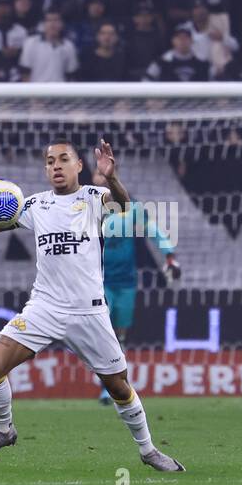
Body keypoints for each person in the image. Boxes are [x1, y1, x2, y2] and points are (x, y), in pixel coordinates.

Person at [0, 139, 186, 473]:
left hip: (89, 311)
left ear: (78, 166)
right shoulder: (33, 205)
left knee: (118, 386)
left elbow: (124, 205)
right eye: (50, 160)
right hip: (45, 308)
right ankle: (3, 430)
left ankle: (148, 450)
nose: (56, 165)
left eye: (63, 159)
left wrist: (111, 177)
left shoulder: (95, 198)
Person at [92, 169, 180, 403]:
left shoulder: (132, 210)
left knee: (120, 336)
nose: (100, 180)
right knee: (106, 334)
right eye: (97, 176)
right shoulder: (88, 208)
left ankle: (115, 383)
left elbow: (153, 230)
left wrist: (169, 254)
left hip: (127, 282)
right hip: (100, 282)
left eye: (104, 176)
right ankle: (106, 387)